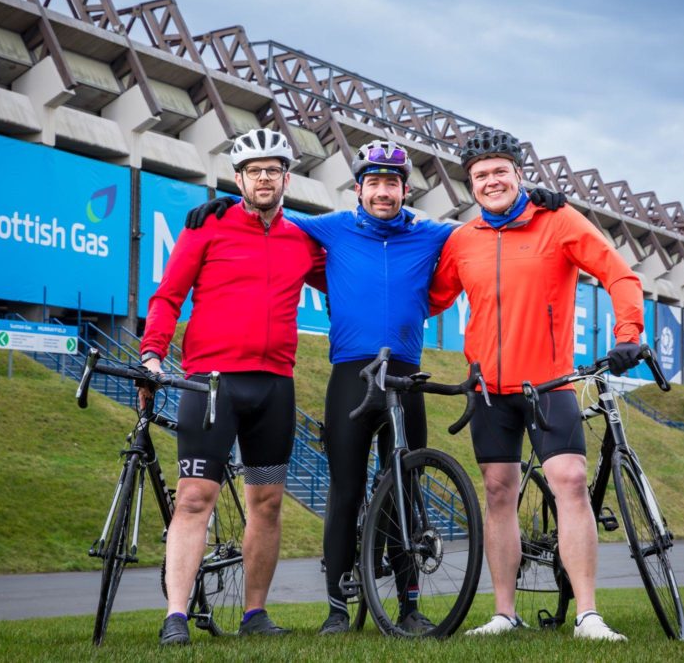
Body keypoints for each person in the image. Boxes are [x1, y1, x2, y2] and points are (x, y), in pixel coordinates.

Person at [185, 139, 567, 635]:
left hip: (406, 373)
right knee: (345, 488)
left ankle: (408, 604)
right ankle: (337, 608)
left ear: (405, 190)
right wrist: (222, 206)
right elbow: (268, 216)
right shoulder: (329, 228)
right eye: (373, 183)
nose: (382, 192)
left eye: (392, 183)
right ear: (358, 190)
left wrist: (534, 199)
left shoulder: (433, 236)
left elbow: (486, 227)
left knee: (405, 486)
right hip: (351, 375)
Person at [429, 129, 644, 641]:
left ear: (519, 175)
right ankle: (505, 612)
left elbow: (619, 275)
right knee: (498, 492)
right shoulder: (462, 240)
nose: (491, 180)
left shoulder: (559, 221)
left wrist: (628, 333)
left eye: (500, 171)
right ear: (470, 185)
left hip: (549, 383)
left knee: (569, 482)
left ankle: (588, 615)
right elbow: (432, 297)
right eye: (480, 175)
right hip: (487, 390)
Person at [139, 128, 326, 645]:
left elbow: (351, 271)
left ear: (287, 178)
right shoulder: (207, 227)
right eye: (253, 171)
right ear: (238, 178)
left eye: (273, 170)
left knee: (267, 501)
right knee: (196, 496)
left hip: (274, 386)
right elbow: (169, 294)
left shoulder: (302, 241)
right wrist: (153, 352)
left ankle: (255, 614)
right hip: (211, 383)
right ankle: (176, 615)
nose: (264, 178)